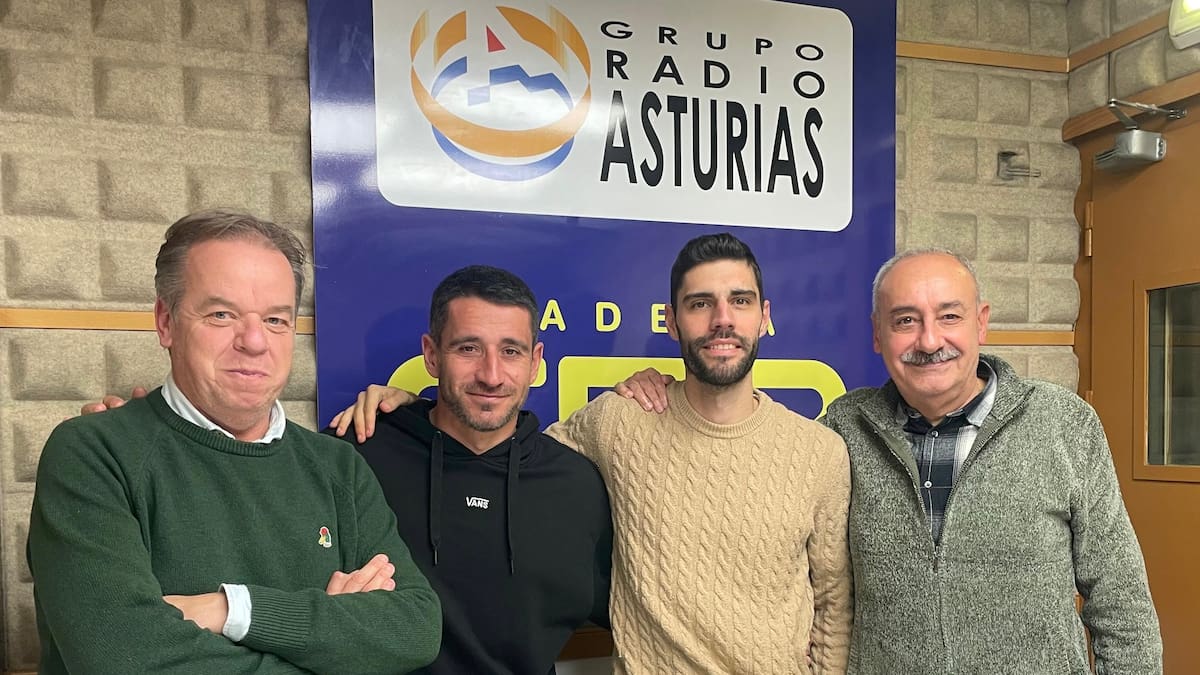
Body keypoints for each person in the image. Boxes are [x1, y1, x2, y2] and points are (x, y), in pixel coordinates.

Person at [620, 248, 1163, 674]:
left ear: (981, 323)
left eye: (948, 316)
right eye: (905, 320)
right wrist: (660, 392)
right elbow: (740, 468)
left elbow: (1121, 602)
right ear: (877, 335)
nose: (929, 340)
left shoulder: (1062, 424)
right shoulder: (841, 431)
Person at [339, 234, 853, 673]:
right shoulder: (619, 422)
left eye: (740, 300)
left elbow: (834, 604)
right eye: (700, 304)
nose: (722, 320)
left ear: (764, 317)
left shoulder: (820, 452)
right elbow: (491, 439)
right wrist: (410, 410)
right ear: (671, 322)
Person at [89, 265, 612, 674]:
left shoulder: (577, 484)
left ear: (536, 361)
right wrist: (156, 439)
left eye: (511, 351)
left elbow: (638, 605)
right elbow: (239, 524)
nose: (491, 374)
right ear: (431, 355)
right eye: (467, 348)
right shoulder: (355, 453)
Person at [29, 210, 442, 675]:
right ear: (166, 322)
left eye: (275, 319)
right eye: (221, 315)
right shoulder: (94, 454)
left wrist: (231, 609)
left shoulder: (338, 467)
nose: (254, 341)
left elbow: (415, 628)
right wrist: (335, 642)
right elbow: (123, 658)